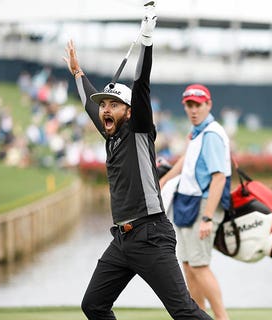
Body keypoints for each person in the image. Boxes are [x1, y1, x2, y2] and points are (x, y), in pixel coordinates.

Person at [63, 4, 212, 320]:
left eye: (113, 105)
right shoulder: (112, 135)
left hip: (151, 234)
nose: (105, 109)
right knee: (93, 305)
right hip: (122, 240)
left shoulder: (140, 129)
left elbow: (141, 83)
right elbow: (90, 105)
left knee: (183, 311)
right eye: (104, 104)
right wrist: (78, 73)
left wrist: (146, 39)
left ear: (129, 111)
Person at [159, 84, 232, 320]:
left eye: (197, 105)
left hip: (203, 205)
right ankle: (199, 317)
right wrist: (162, 182)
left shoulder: (211, 134)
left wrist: (208, 217)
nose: (193, 110)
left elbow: (219, 178)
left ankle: (221, 318)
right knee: (189, 266)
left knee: (199, 266)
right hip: (188, 203)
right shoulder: (198, 131)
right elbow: (184, 161)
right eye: (189, 105)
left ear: (208, 105)